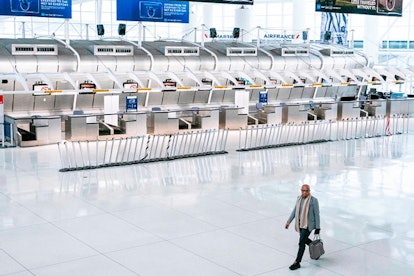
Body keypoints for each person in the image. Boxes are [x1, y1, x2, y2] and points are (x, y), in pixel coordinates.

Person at [285, 184, 320, 270]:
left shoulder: (313, 201)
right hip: (300, 224)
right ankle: (316, 251)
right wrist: (288, 221)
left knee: (301, 243)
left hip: (308, 225)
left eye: (306, 191)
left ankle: (297, 262)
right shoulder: (299, 199)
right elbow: (294, 211)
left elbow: (317, 214)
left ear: (309, 191)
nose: (304, 192)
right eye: (303, 190)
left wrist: (318, 228)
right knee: (304, 240)